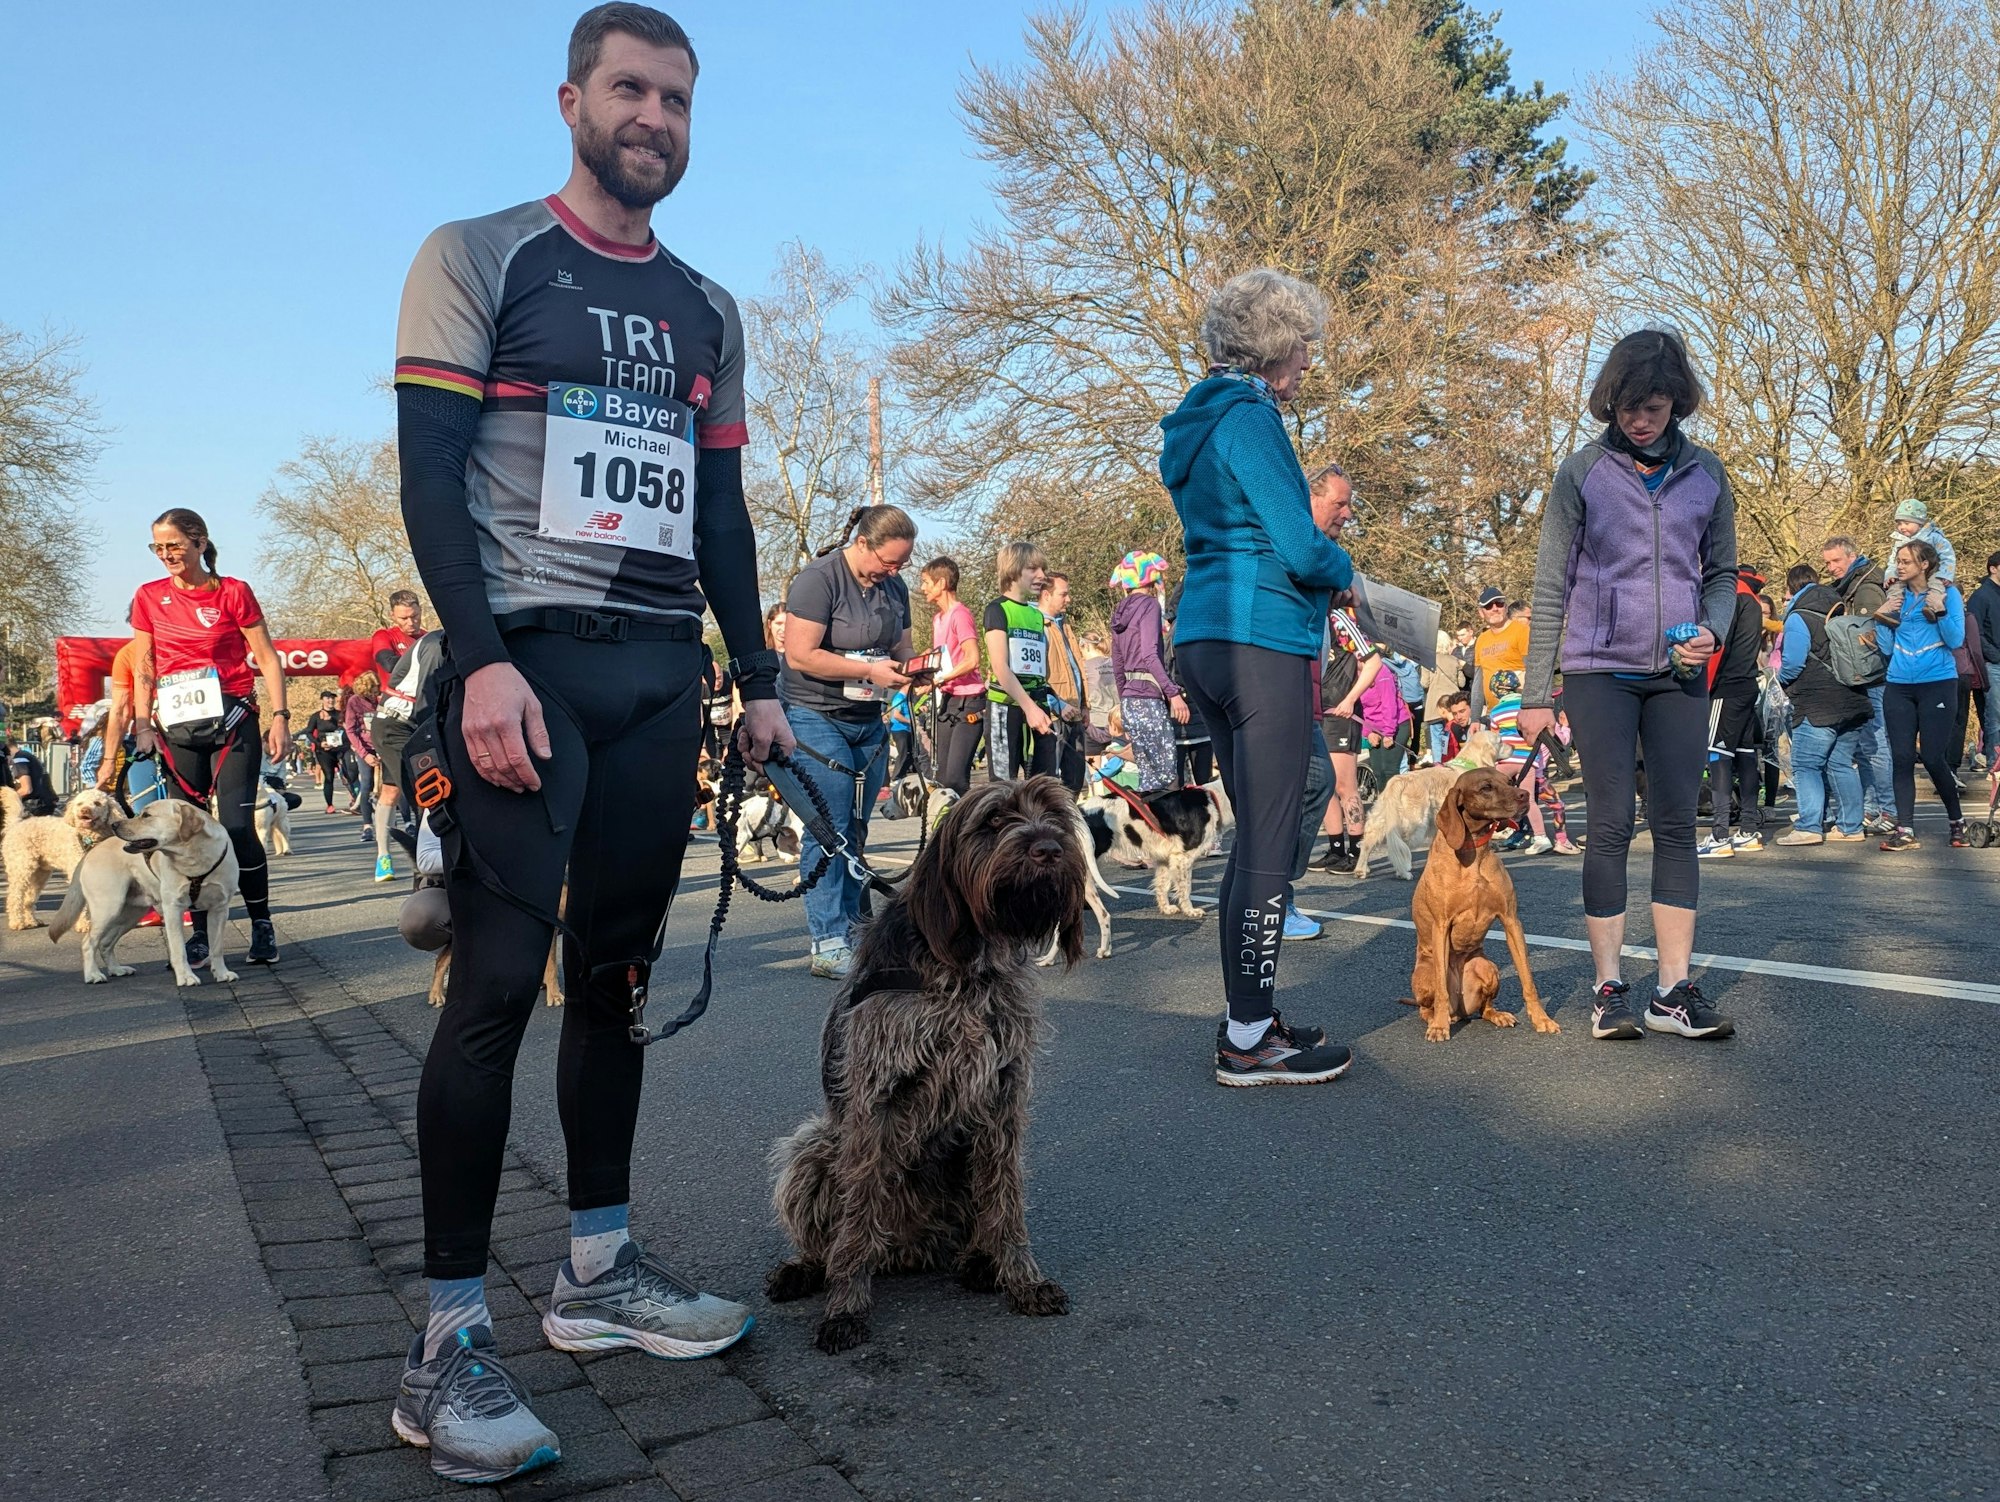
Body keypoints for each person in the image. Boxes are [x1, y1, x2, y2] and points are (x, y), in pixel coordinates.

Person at [390, 5, 788, 1481]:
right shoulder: (478, 254)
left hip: (656, 674)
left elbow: (721, 511)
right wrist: (481, 660)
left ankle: (598, 1272)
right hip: (527, 663)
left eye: (677, 99)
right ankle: (444, 1344)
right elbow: (429, 474)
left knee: (615, 981)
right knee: (497, 985)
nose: (655, 119)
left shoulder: (708, 308)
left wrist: (757, 678)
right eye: (630, 90)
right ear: (571, 101)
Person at [1160, 266, 1356, 1086]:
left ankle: (1253, 1014)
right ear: (1276, 345)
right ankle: (1248, 1038)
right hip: (1258, 636)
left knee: (1254, 841)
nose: (1308, 359)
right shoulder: (1251, 416)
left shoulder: (1197, 417)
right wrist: (1346, 571)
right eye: (1304, 344)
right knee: (1269, 843)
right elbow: (1303, 545)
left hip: (1204, 633)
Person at [1520, 328, 1739, 1042]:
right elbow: (1549, 587)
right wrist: (1534, 695)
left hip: (1680, 674)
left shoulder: (1707, 474)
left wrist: (1712, 628)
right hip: (1597, 670)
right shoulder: (1581, 472)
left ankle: (1672, 993)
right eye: (1626, 407)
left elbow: (1722, 574)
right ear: (1609, 403)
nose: (1638, 421)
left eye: (1652, 407)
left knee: (1677, 824)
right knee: (1610, 823)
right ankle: (1608, 988)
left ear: (1677, 403)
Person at [127, 507, 287, 967]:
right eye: (158, 547)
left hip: (233, 722)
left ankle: (261, 923)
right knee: (184, 834)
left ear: (199, 542)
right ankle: (199, 934)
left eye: (174, 545)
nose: (166, 555)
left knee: (237, 827)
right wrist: (142, 724)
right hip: (177, 729)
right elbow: (144, 664)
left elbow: (267, 657)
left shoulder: (233, 591)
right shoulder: (148, 596)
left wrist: (280, 717)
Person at [781, 505, 919, 979]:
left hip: (868, 717)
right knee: (829, 827)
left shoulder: (894, 587)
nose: (894, 571)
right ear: (862, 543)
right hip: (814, 714)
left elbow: (901, 647)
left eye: (902, 564)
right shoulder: (818, 580)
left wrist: (914, 669)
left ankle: (857, 931)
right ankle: (827, 939)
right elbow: (800, 655)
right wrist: (868, 670)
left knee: (856, 829)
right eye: (889, 562)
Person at [1284, 467, 1357, 938]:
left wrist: (1331, 597)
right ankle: (1271, 898)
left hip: (1305, 693)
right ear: (1311, 499)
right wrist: (1339, 575)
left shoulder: (1313, 558)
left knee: (1314, 784)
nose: (1347, 515)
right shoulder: (1297, 543)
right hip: (1281, 689)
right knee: (1309, 784)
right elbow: (1316, 563)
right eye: (1339, 503)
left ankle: (1271, 895)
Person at [1875, 540, 1967, 849]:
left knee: (1932, 757)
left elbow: (1955, 640)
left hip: (1938, 682)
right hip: (1899, 685)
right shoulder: (1897, 597)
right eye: (1898, 561)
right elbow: (1886, 649)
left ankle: (1957, 821)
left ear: (1924, 564)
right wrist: (1882, 618)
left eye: (1905, 561)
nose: (1899, 566)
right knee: (1901, 758)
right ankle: (1905, 830)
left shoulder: (1948, 594)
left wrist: (1940, 611)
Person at [1773, 563, 1872, 845]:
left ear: (1791, 588)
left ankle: (1809, 826)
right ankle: (1851, 827)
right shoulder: (1839, 610)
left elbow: (1793, 662)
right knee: (1841, 764)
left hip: (1817, 703)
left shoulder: (1799, 617)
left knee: (1806, 764)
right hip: (1853, 697)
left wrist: (1777, 680)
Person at [1822, 535, 1894, 834]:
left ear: (1852, 556)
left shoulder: (1865, 589)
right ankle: (1873, 806)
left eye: (1836, 560)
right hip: (1864, 677)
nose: (1831, 567)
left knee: (1874, 744)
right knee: (1866, 746)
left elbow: (1870, 637)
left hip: (1871, 678)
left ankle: (1888, 809)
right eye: (1827, 563)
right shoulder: (1853, 584)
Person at [1697, 564, 1770, 857]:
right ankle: (1748, 829)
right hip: (1747, 683)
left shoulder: (1729, 595)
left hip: (1725, 687)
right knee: (1746, 755)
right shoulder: (1751, 598)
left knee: (1718, 756)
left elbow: (1717, 646)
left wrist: (1704, 686)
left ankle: (1719, 834)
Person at [1311, 588, 1380, 873]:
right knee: (1324, 784)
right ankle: (1336, 848)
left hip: (1341, 714)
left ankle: (1356, 850)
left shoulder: (1338, 619)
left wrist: (1350, 699)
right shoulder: (1310, 619)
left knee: (1344, 785)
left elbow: (1373, 662)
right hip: (1318, 712)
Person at [1108, 550, 1186, 794]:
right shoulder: (1149, 605)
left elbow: (1117, 664)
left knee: (1148, 775)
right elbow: (1150, 655)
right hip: (1149, 699)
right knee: (1167, 776)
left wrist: (1124, 699)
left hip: (1130, 701)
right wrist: (1172, 693)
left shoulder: (1119, 613)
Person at [983, 542, 1060, 781]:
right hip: (1005, 708)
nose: (1042, 576)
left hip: (1038, 704)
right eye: (1033, 569)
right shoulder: (997, 609)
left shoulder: (1037, 615)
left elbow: (1041, 669)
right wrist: (1029, 707)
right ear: (1013, 570)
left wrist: (1053, 702)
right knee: (1003, 786)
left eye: (1043, 569)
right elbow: (1000, 666)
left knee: (1045, 783)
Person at [369, 597, 430, 880]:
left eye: (414, 616)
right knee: (419, 787)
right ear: (393, 616)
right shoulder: (385, 636)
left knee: (391, 790)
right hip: (393, 720)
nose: (410, 622)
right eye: (404, 618)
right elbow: (389, 663)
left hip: (420, 721)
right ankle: (385, 856)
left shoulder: (428, 638)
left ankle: (412, 854)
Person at [919, 556, 985, 794]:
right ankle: (947, 818)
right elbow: (945, 659)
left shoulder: (960, 614)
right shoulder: (938, 619)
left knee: (956, 779)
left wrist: (940, 680)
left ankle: (967, 817)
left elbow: (972, 659)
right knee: (941, 777)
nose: (922, 588)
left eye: (926, 582)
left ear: (942, 583)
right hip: (947, 701)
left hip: (970, 702)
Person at [1038, 571, 1090, 793]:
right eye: (1063, 594)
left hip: (1075, 712)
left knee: (1075, 779)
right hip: (1055, 716)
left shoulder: (1064, 624)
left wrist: (1085, 705)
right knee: (1050, 783)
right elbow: (1037, 676)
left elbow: (1077, 667)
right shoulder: (1037, 626)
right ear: (1046, 595)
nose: (1068, 599)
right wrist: (1056, 704)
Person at [1875, 499, 1956, 621]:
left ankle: (1931, 607)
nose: (1902, 527)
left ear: (1919, 523)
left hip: (1933, 570)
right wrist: (1890, 575)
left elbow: (1948, 556)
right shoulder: (1900, 541)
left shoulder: (1933, 537)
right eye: (1899, 524)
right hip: (1906, 573)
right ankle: (1894, 610)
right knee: (1895, 586)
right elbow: (1893, 561)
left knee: (1936, 583)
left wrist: (1946, 574)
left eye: (1906, 523)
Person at [1469, 585, 1529, 719]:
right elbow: (1478, 682)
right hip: (1493, 714)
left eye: (1499, 603)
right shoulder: (1481, 640)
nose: (1495, 608)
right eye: (1488, 606)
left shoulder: (1522, 631)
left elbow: (1534, 672)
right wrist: (1475, 719)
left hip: (1520, 710)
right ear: (1481, 613)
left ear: (1506, 607)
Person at [1969, 551, 2000, 772]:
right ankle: (1994, 763)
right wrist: (1994, 655)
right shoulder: (1981, 596)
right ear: (1993, 568)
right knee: (1995, 714)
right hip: (1992, 664)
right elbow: (1975, 633)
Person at [1420, 627, 1468, 765]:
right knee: (1454, 734)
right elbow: (1462, 682)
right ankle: (1455, 760)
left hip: (1435, 704)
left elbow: (1424, 682)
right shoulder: (1454, 660)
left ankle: (1438, 764)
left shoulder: (1427, 661)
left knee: (1436, 736)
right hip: (1453, 702)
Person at [344, 672, 381, 839]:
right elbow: (351, 730)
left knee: (392, 784)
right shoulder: (354, 702)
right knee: (366, 783)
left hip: (382, 746)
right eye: (374, 688)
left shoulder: (380, 700)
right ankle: (367, 826)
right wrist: (364, 754)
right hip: (365, 748)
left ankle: (402, 823)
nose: (377, 691)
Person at [303, 689, 346, 812]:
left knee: (349, 774)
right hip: (324, 750)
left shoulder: (340, 714)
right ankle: (330, 805)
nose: (330, 700)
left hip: (340, 748)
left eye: (332, 698)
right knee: (329, 776)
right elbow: (308, 733)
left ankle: (355, 800)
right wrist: (319, 743)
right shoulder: (316, 716)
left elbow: (347, 729)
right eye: (327, 698)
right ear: (322, 700)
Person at [7, 736, 56, 817]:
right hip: (45, 802)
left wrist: (7, 799)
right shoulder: (26, 755)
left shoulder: (19, 760)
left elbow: (26, 789)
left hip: (34, 806)